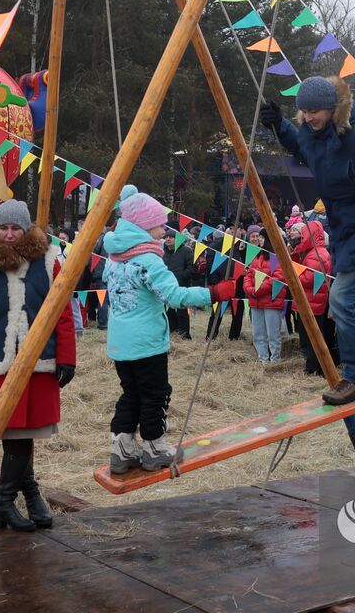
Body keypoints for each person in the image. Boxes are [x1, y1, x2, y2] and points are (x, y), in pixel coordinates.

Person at [260, 76, 355, 404]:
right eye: (303, 112)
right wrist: (280, 125)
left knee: (343, 301)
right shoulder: (312, 135)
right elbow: (300, 144)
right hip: (344, 231)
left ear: (334, 109)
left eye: (314, 110)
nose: (308, 117)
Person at [0, 200, 76, 533]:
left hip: (38, 362)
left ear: (26, 229)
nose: (9, 234)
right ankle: (11, 500)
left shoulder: (49, 261)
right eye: (3, 228)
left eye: (15, 228)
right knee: (12, 433)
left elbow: (62, 312)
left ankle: (12, 500)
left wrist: (66, 357)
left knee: (25, 432)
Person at [103, 186, 232, 474]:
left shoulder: (114, 258)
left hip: (120, 344)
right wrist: (212, 294)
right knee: (155, 394)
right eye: (159, 225)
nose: (164, 231)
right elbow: (175, 296)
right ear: (144, 227)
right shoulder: (147, 260)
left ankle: (121, 448)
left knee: (131, 394)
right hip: (146, 342)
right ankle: (154, 448)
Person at [291, 219, 336, 376]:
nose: (301, 239)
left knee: (313, 338)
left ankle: (314, 368)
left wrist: (292, 273)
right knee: (310, 337)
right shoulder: (312, 253)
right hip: (311, 301)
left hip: (314, 302)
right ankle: (313, 367)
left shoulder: (317, 254)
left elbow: (308, 279)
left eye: (303, 235)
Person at [241, 228, 286, 363]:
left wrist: (258, 290)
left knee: (273, 334)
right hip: (256, 301)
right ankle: (262, 359)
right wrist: (249, 289)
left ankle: (275, 360)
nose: (258, 239)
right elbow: (248, 275)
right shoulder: (256, 256)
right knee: (258, 334)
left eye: (261, 237)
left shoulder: (277, 257)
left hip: (271, 301)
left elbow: (277, 278)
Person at [165, 226, 203, 340]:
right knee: (169, 311)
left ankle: (184, 336)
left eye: (171, 237)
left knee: (182, 312)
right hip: (167, 287)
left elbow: (192, 267)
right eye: (166, 237)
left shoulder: (186, 251)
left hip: (181, 286)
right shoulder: (163, 252)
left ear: (177, 239)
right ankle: (172, 332)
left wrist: (182, 276)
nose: (168, 239)